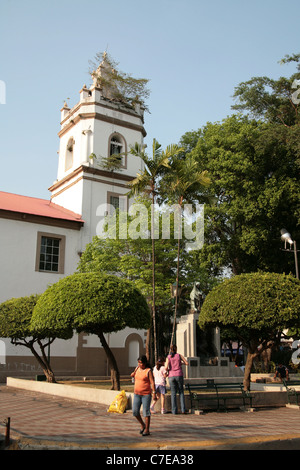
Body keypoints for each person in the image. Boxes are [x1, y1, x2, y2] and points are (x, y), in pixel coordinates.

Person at [131, 355, 156, 436]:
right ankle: (142, 424)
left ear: (145, 363)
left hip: (146, 395)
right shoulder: (137, 368)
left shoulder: (148, 371)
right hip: (137, 394)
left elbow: (152, 382)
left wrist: (154, 393)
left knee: (146, 412)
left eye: (141, 363)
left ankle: (147, 430)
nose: (139, 364)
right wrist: (132, 374)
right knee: (135, 411)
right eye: (138, 363)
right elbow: (134, 376)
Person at [165, 345, 188, 414]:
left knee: (173, 393)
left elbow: (166, 367)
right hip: (179, 374)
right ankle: (183, 409)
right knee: (181, 392)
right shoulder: (179, 356)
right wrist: (181, 363)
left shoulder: (168, 357)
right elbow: (187, 363)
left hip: (171, 376)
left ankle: (174, 410)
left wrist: (169, 369)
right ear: (176, 349)